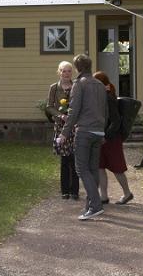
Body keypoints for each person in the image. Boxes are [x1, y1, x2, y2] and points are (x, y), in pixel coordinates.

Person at [57, 54, 107, 221]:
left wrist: (64, 133)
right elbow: (104, 110)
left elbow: (73, 110)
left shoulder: (79, 84)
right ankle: (91, 205)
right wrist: (103, 130)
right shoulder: (100, 84)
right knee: (92, 169)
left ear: (77, 68)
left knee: (81, 169)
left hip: (85, 131)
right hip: (99, 131)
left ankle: (95, 206)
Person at [93, 71, 134, 205]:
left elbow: (116, 121)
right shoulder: (100, 96)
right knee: (100, 167)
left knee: (117, 168)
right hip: (101, 138)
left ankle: (127, 193)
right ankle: (103, 196)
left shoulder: (109, 98)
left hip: (111, 139)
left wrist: (106, 136)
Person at [46, 61, 79, 200]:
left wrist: (74, 117)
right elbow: (49, 106)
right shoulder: (54, 88)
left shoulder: (77, 86)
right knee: (65, 159)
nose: (66, 73)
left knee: (75, 158)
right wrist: (60, 115)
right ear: (59, 72)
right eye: (64, 71)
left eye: (69, 71)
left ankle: (75, 191)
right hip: (61, 126)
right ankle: (65, 190)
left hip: (75, 126)